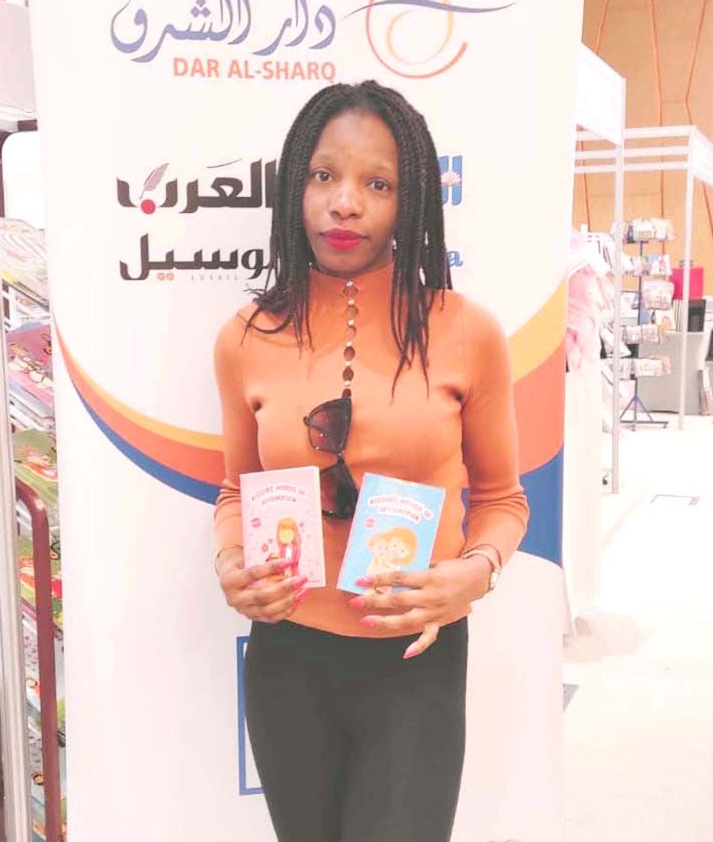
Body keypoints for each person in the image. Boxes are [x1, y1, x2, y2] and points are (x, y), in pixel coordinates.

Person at [211, 80, 530, 842]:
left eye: (376, 183)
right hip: (286, 660)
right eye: (324, 175)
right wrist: (230, 560)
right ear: (295, 186)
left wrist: (475, 572)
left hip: (415, 662)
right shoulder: (244, 337)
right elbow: (235, 489)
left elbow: (503, 498)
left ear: (409, 199)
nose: (344, 202)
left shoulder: (466, 332)